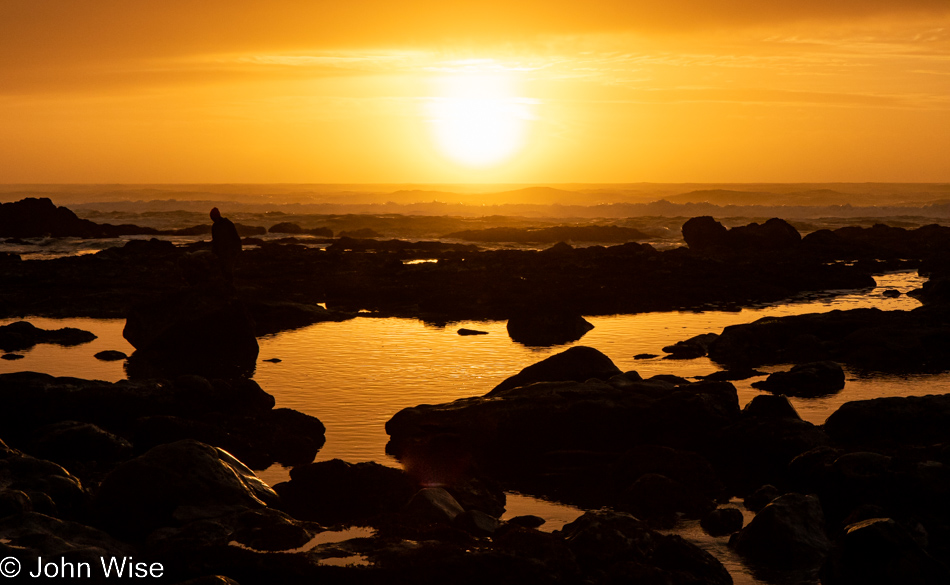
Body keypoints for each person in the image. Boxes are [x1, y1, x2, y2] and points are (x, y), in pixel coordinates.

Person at [210, 207, 242, 284]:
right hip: (222, 251)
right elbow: (215, 240)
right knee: (224, 270)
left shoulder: (226, 224)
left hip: (229, 251)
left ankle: (230, 286)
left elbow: (235, 238)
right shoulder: (216, 226)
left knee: (228, 270)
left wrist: (236, 250)